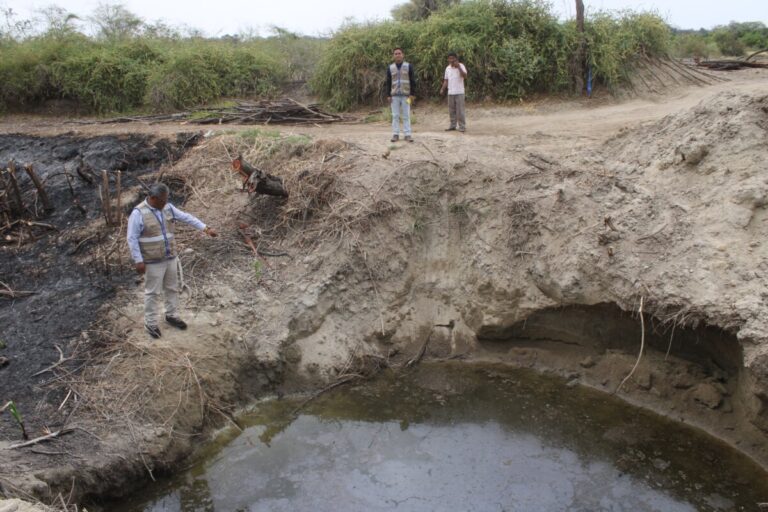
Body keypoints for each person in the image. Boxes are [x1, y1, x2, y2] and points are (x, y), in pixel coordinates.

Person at [126, 183, 217, 339]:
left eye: (167, 199)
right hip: (152, 261)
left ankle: (171, 315)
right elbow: (132, 238)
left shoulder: (167, 207)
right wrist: (138, 260)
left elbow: (187, 217)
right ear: (153, 198)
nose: (165, 203)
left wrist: (205, 228)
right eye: (163, 200)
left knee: (172, 288)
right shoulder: (138, 213)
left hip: (170, 257)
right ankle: (151, 323)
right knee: (152, 293)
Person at [386, 47, 416, 143]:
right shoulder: (390, 68)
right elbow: (388, 82)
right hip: (394, 96)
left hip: (406, 95)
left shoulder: (408, 66)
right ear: (393, 56)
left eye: (399, 53)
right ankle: (395, 134)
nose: (398, 55)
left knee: (406, 115)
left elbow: (412, 81)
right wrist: (388, 95)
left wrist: (412, 94)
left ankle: (407, 134)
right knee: (395, 115)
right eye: (396, 53)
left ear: (402, 55)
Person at [439, 52, 468, 132]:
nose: (451, 60)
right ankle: (453, 125)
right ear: (448, 59)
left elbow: (465, 76)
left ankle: (462, 126)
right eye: (449, 58)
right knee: (451, 110)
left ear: (456, 58)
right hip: (450, 92)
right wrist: (442, 89)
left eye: (452, 58)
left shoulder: (461, 66)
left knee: (460, 110)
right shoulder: (447, 68)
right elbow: (446, 80)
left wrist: (458, 67)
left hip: (459, 92)